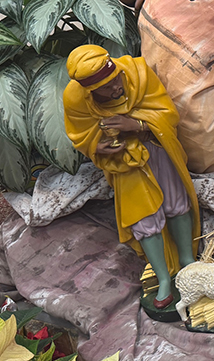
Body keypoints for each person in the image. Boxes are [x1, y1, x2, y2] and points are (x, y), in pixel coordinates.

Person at [63, 44, 200, 309]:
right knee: (143, 217)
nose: (116, 88)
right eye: (107, 88)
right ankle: (163, 278)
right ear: (90, 91)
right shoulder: (75, 98)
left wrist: (137, 125)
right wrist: (96, 147)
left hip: (158, 150)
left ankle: (187, 260)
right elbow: (81, 133)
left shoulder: (137, 72)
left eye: (116, 81)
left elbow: (167, 113)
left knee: (175, 202)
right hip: (124, 163)